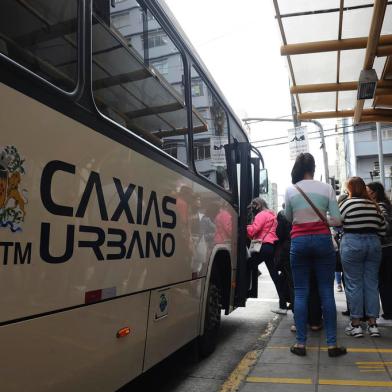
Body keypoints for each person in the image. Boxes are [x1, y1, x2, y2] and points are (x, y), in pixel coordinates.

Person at [285, 153, 346, 357]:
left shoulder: (291, 190)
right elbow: (337, 221)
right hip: (322, 241)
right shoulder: (327, 188)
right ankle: (332, 345)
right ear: (313, 167)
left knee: (301, 292)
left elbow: (289, 218)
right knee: (326, 292)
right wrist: (322, 220)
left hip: (299, 242)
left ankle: (301, 344)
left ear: (297, 168)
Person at [340, 177, 386, 338]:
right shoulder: (374, 205)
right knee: (372, 284)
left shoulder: (346, 203)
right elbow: (383, 229)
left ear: (350, 189)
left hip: (352, 242)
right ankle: (373, 324)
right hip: (373, 244)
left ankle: (356, 325)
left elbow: (338, 222)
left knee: (353, 284)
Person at [247, 198, 285, 311]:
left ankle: (241, 290)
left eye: (253, 206)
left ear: (258, 205)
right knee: (274, 276)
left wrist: (244, 227)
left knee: (247, 265)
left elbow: (253, 230)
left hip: (262, 247)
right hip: (270, 247)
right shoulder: (272, 215)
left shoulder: (261, 215)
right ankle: (282, 304)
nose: (252, 209)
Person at [367, 181, 392, 320]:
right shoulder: (386, 204)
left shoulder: (380, 206)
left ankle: (388, 311)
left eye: (368, 191)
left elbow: (386, 225)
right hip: (388, 247)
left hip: (385, 247)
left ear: (375, 193)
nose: (367, 193)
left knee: (384, 281)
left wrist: (376, 231)